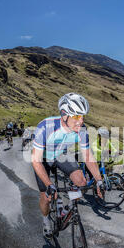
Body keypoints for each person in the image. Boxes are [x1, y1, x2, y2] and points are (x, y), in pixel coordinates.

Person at [31, 93, 104, 239]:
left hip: (61, 155)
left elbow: (88, 156)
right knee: (46, 197)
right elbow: (35, 161)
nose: (81, 121)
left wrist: (99, 180)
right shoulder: (45, 127)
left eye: (83, 116)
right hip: (43, 159)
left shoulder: (82, 130)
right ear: (64, 114)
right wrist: (49, 184)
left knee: (82, 182)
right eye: (77, 116)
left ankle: (66, 209)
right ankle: (45, 220)